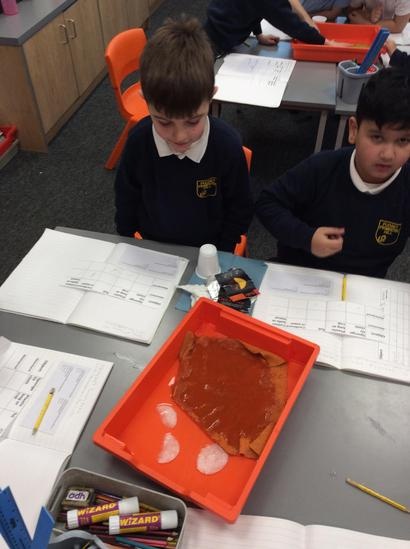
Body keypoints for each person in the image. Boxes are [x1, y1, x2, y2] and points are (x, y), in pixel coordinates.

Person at [115, 17, 253, 253]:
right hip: (151, 246)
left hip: (210, 249)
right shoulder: (139, 141)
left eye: (192, 121)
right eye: (164, 122)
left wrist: (221, 251)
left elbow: (239, 208)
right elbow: (126, 196)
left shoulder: (226, 145)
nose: (180, 137)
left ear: (211, 97)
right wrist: (128, 242)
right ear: (145, 100)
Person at [256, 67, 410, 278]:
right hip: (302, 272)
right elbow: (267, 203)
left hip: (365, 284)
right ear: (354, 130)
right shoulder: (322, 167)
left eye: (403, 140)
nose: (388, 155)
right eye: (377, 137)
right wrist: (307, 238)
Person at [204, 0, 326, 57]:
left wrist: (259, 35)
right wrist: (323, 42)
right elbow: (288, 23)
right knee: (204, 89)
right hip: (215, 42)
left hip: (214, 29)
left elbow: (251, 7)